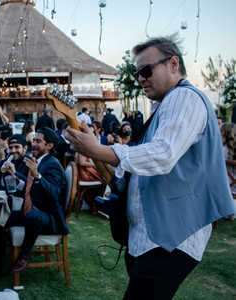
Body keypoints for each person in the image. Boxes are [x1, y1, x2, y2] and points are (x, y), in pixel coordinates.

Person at [65, 35, 235, 299]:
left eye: (147, 70)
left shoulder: (183, 98)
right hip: (153, 236)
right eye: (137, 73)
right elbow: (144, 159)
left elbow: (163, 154)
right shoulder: (164, 105)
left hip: (172, 235)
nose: (141, 78)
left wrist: (99, 150)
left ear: (173, 64)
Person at [7, 127, 67, 273]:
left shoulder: (53, 164)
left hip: (49, 216)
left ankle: (25, 254)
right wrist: (18, 182)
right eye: (33, 140)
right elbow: (33, 187)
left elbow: (54, 194)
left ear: (49, 146)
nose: (34, 144)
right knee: (4, 215)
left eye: (38, 141)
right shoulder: (38, 161)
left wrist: (37, 176)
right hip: (35, 209)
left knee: (33, 216)